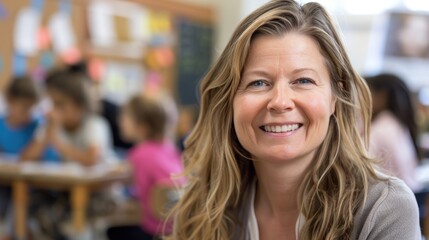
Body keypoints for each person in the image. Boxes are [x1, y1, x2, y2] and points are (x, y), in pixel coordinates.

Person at [168, 1, 420, 240]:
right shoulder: (200, 206)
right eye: (258, 83)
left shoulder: (383, 208)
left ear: (335, 96)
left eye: (303, 81)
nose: (279, 101)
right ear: (230, 101)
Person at [106, 94, 184, 240]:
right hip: (177, 228)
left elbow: (121, 178)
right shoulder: (170, 149)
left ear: (142, 127)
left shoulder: (138, 154)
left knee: (111, 231)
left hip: (153, 231)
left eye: (125, 117)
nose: (120, 122)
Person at [21, 69, 116, 165]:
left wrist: (57, 142)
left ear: (80, 106)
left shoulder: (95, 125)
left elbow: (91, 160)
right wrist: (47, 136)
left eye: (59, 104)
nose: (53, 110)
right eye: (53, 104)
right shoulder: (52, 126)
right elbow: (26, 158)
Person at [366, 73, 422, 191]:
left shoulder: (380, 130)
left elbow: (359, 171)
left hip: (392, 199)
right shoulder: (398, 125)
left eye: (366, 92)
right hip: (411, 194)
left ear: (381, 96)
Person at [0, 76, 39, 239]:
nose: (27, 114)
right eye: (24, 108)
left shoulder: (36, 127)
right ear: (9, 101)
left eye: (31, 109)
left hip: (29, 186)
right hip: (3, 183)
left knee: (20, 199)